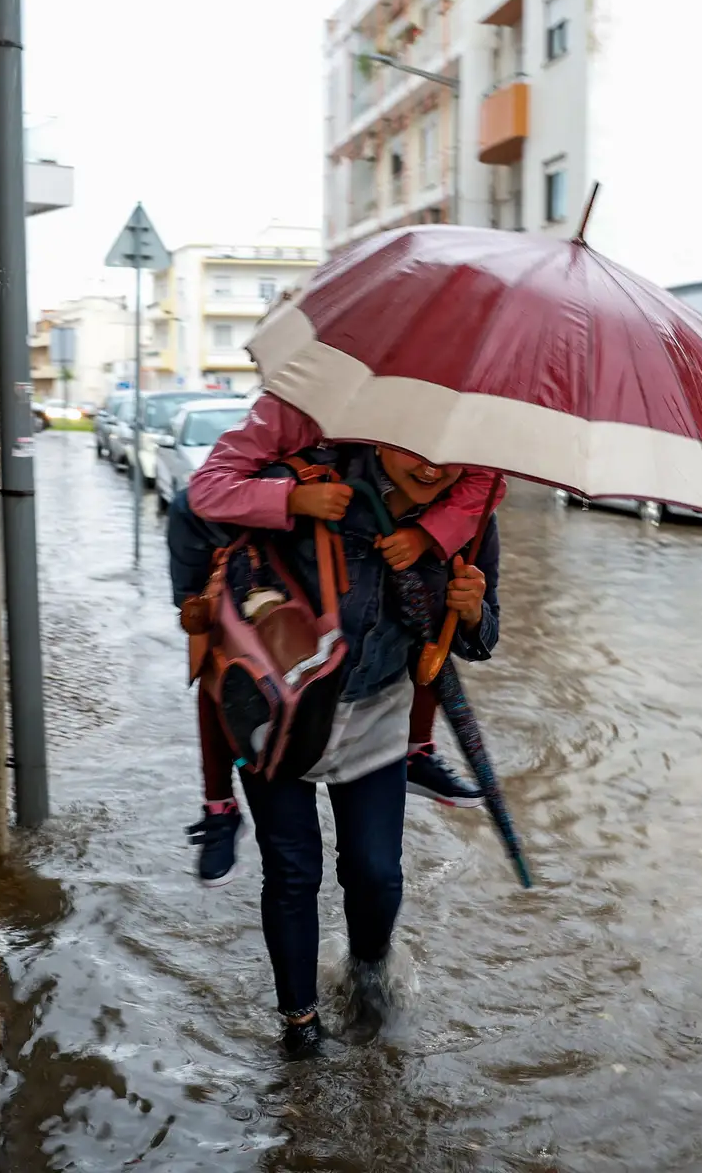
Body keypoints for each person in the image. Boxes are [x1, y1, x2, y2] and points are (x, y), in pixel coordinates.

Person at [167, 396, 503, 1057]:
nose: (431, 467)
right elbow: (195, 507)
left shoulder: (471, 513)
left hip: (377, 713)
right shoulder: (307, 480)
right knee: (293, 871)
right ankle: (299, 1025)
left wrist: (470, 612)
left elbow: (481, 642)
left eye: (448, 455)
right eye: (412, 447)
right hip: (280, 711)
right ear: (377, 432)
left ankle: (368, 972)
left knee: (376, 872)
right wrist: (281, 512)